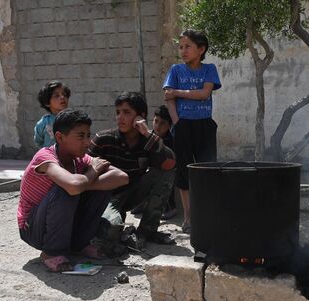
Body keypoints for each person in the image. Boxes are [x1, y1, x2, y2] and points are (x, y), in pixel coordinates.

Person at [17, 108, 129, 272]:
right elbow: (73, 185)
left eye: (88, 135)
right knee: (67, 188)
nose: (87, 142)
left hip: (61, 223)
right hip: (33, 229)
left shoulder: (80, 159)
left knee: (99, 185)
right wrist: (90, 174)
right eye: (80, 136)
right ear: (60, 137)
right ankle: (51, 252)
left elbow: (121, 177)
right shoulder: (45, 157)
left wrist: (84, 183)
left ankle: (79, 244)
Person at [88, 92, 176, 249]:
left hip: (133, 195)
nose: (120, 117)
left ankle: (144, 232)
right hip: (105, 198)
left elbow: (169, 163)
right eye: (117, 112)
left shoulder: (147, 141)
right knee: (110, 231)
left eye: (126, 112)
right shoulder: (103, 139)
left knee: (166, 173)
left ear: (140, 116)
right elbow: (82, 169)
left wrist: (148, 133)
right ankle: (120, 229)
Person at [163, 29, 222, 233]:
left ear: (201, 49)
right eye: (181, 47)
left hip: (204, 125)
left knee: (208, 170)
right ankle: (188, 218)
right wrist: (177, 122)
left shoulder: (209, 69)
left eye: (188, 46)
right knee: (183, 173)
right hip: (183, 126)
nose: (183, 50)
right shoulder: (175, 70)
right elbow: (168, 99)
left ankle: (208, 214)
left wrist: (178, 92)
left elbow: (205, 94)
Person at [130, 105, 177, 220]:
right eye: (156, 121)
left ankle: (171, 208)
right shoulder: (148, 134)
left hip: (165, 171)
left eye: (162, 123)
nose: (157, 126)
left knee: (164, 176)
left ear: (169, 126)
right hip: (150, 169)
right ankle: (142, 202)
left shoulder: (169, 140)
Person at [34, 80, 70, 148]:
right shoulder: (44, 123)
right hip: (50, 157)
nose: (62, 97)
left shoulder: (72, 119)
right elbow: (38, 141)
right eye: (56, 96)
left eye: (64, 95)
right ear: (47, 103)